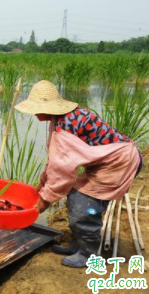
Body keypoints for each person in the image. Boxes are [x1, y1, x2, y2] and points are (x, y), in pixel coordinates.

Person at [15, 80, 143, 268]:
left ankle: (88, 253)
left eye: (36, 109)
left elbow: (63, 172)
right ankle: (79, 242)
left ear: (48, 108)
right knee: (75, 196)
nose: (35, 114)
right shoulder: (60, 119)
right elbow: (56, 158)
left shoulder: (64, 127)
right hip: (105, 161)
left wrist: (44, 200)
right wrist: (44, 181)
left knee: (85, 205)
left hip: (117, 163)